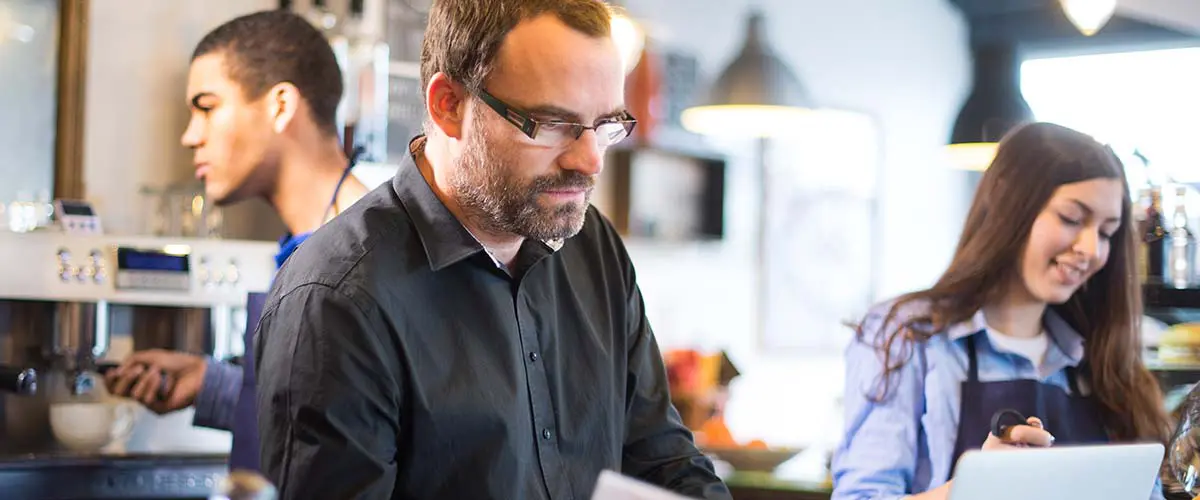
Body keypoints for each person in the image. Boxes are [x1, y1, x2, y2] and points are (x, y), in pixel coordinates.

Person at [252, 0, 732, 498]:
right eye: (551, 123)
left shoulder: (596, 249)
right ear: (449, 105)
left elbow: (662, 461)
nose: (590, 161)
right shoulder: (337, 299)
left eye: (607, 125)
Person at [831, 122, 1171, 500]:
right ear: (1011, 207)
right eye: (1072, 219)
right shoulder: (907, 336)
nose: (1091, 249)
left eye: (1106, 232)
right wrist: (976, 489)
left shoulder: (1102, 359)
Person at [103, 10, 370, 472]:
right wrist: (218, 385)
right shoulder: (307, 248)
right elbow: (322, 425)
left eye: (206, 107)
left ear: (281, 106)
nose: (190, 137)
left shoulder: (368, 259)